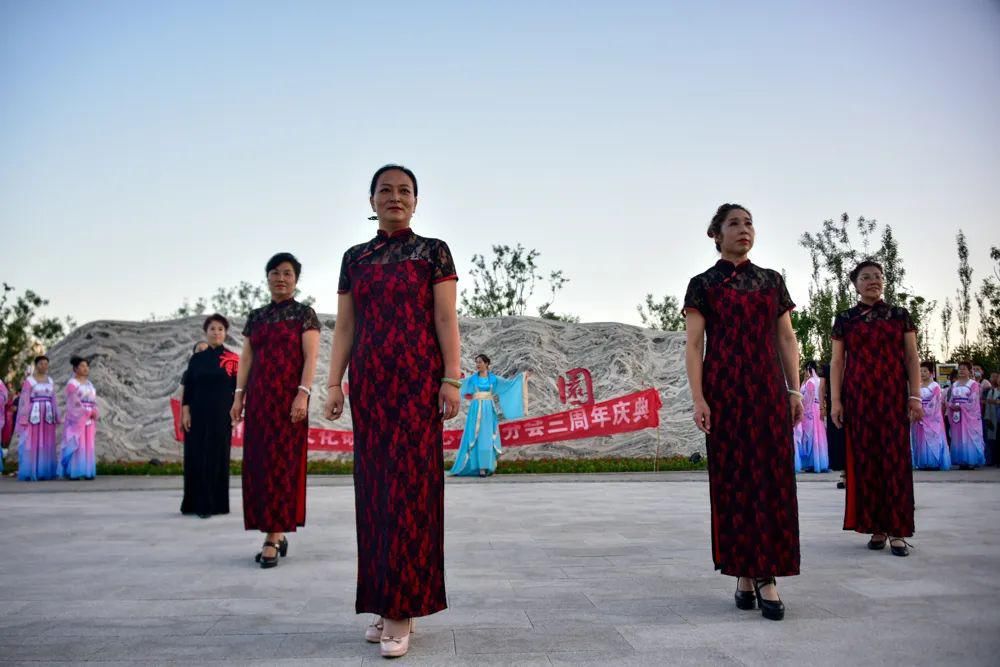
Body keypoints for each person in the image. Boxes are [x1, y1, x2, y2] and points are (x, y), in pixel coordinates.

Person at [325, 164, 460, 657]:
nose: (395, 197)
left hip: (418, 385)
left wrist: (451, 378)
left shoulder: (433, 251)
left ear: (416, 202)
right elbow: (345, 326)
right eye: (386, 190)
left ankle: (402, 610)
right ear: (372, 200)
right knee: (376, 493)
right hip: (371, 388)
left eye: (405, 191)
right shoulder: (355, 258)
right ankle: (386, 601)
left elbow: (444, 317)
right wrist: (333, 382)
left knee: (411, 492)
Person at [684, 203, 802, 622]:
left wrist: (793, 389)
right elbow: (694, 345)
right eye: (733, 223)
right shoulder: (703, 284)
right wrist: (699, 398)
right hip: (725, 393)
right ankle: (743, 573)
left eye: (748, 222)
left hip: (768, 390)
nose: (743, 229)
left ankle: (766, 574)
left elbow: (786, 339)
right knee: (733, 481)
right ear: (716, 235)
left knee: (771, 480)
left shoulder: (771, 281)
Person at [231, 253, 320, 568]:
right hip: (259, 402)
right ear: (267, 278)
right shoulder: (256, 317)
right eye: (275, 273)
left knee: (283, 466)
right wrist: (239, 397)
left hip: (288, 403)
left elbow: (310, 358)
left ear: (296, 280)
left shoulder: (304, 314)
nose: (281, 278)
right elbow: (246, 359)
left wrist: (302, 395)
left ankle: (273, 536)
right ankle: (273, 530)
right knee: (260, 466)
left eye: (287, 273)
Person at [831, 260, 922, 557]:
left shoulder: (899, 315)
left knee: (895, 462)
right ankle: (876, 527)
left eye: (878, 276)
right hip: (858, 399)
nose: (873, 281)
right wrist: (836, 401)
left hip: (893, 397)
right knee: (866, 462)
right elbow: (837, 362)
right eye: (866, 277)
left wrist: (915, 396)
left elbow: (911, 358)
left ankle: (897, 529)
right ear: (855, 285)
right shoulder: (845, 319)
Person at [181, 315, 239, 517]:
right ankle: (193, 504)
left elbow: (238, 389)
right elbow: (189, 387)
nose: (216, 332)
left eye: (220, 329)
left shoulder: (232, 359)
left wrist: (237, 413)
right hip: (197, 414)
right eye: (212, 329)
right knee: (196, 456)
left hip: (221, 415)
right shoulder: (196, 359)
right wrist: (185, 412)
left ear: (225, 333)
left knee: (217, 457)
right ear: (206, 332)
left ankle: (216, 505)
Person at [449, 354, 527, 477]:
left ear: (486, 364)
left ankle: (485, 466)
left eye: (480, 362)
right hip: (475, 409)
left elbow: (508, 385)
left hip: (488, 410)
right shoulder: (472, 379)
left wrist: (522, 377)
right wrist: (448, 382)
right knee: (474, 435)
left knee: (487, 436)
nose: (478, 364)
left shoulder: (494, 379)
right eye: (476, 362)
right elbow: (460, 384)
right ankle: (475, 466)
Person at [16, 356, 60, 481]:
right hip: (33, 414)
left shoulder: (50, 380)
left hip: (47, 415)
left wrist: (56, 414)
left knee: (47, 441)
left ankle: (45, 470)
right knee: (33, 441)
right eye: (41, 363)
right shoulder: (29, 381)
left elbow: (53, 399)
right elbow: (25, 399)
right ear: (36, 365)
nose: (44, 366)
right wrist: (24, 417)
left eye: (46, 363)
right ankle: (32, 470)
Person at [59, 356, 99, 479]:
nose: (85, 368)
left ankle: (87, 471)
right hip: (77, 418)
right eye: (82, 366)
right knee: (77, 443)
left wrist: (94, 410)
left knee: (88, 443)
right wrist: (85, 412)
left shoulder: (89, 384)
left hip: (89, 417)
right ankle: (75, 471)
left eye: (87, 366)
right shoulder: (72, 383)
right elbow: (73, 402)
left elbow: (93, 400)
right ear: (75, 369)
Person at [911, 361, 951, 470]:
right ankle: (923, 462)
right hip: (919, 415)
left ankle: (934, 462)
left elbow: (935, 403)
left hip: (931, 417)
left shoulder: (935, 386)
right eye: (920, 371)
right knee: (921, 439)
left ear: (931, 373)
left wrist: (923, 412)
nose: (922, 373)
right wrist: (915, 412)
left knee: (933, 439)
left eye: (925, 371)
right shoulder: (918, 386)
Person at [946, 361, 986, 469]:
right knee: (957, 436)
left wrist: (962, 407)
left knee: (968, 436)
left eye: (964, 369)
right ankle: (961, 460)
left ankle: (971, 460)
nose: (961, 371)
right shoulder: (954, 384)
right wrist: (951, 405)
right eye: (960, 368)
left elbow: (974, 400)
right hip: (957, 414)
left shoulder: (973, 384)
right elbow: (951, 398)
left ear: (969, 371)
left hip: (968, 415)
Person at [797, 361, 829, 472]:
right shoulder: (818, 380)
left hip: (811, 410)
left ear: (808, 370)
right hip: (818, 407)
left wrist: (805, 411)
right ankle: (819, 462)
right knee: (818, 436)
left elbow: (808, 398)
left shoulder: (809, 382)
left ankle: (812, 463)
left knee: (811, 436)